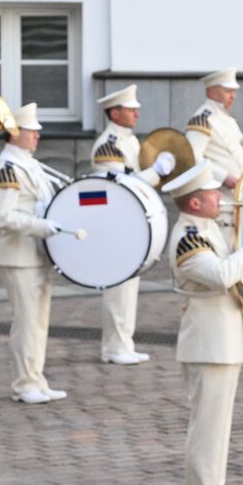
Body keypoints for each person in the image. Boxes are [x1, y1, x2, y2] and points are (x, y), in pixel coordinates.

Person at [165, 162, 243, 485]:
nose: (220, 198)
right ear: (194, 203)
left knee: (218, 429)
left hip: (223, 338)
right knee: (207, 429)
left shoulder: (208, 227)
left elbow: (235, 262)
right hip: (207, 341)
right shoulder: (188, 237)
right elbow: (219, 275)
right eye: (213, 194)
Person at [92, 84, 175, 365]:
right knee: (118, 289)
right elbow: (119, 187)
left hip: (131, 221)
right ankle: (113, 347)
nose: (137, 113)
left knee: (129, 288)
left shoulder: (129, 142)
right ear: (115, 113)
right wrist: (156, 172)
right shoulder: (108, 146)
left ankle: (124, 343)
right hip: (114, 222)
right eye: (131, 109)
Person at [0, 102, 69, 405]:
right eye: (31, 131)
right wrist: (40, 226)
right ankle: (24, 383)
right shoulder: (7, 167)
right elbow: (3, 217)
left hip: (37, 254)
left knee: (39, 322)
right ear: (15, 133)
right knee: (26, 322)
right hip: (18, 255)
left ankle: (36, 378)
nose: (37, 136)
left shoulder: (29, 163)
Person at [185, 67, 243, 212]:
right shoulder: (202, 119)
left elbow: (239, 154)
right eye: (227, 91)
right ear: (211, 92)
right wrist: (225, 177)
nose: (233, 96)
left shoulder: (228, 119)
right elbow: (192, 158)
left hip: (240, 197)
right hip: (220, 199)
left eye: (234, 92)